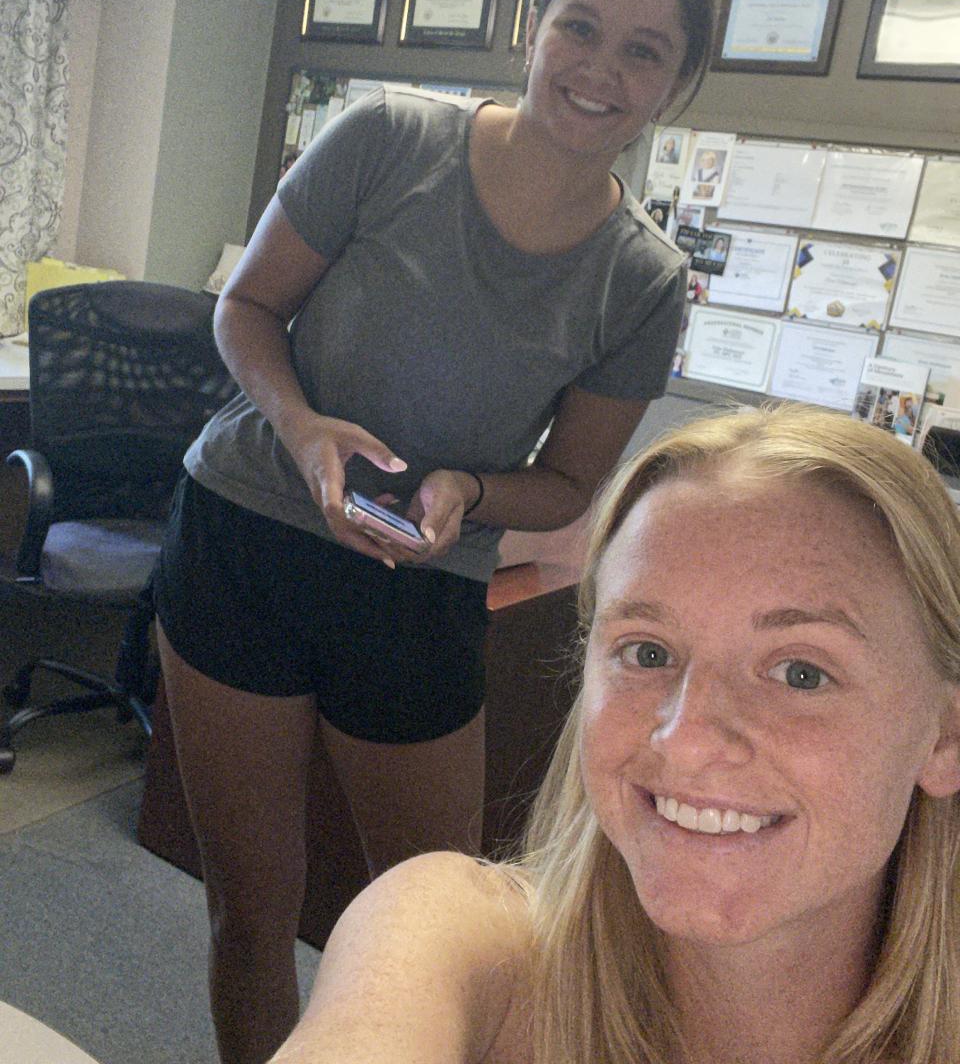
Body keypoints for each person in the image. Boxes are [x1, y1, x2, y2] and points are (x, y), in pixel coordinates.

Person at [154, 0, 715, 1064]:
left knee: (438, 933)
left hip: (420, 593)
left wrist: (467, 487)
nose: (599, 68)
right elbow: (245, 307)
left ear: (678, 82)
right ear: (531, 27)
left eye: (644, 50)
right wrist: (306, 428)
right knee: (249, 911)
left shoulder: (642, 280)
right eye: (580, 26)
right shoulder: (388, 137)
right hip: (245, 535)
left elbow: (568, 481)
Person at [270, 403, 960, 1064]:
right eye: (648, 653)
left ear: (944, 734)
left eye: (801, 674)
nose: (685, 739)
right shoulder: (454, 945)